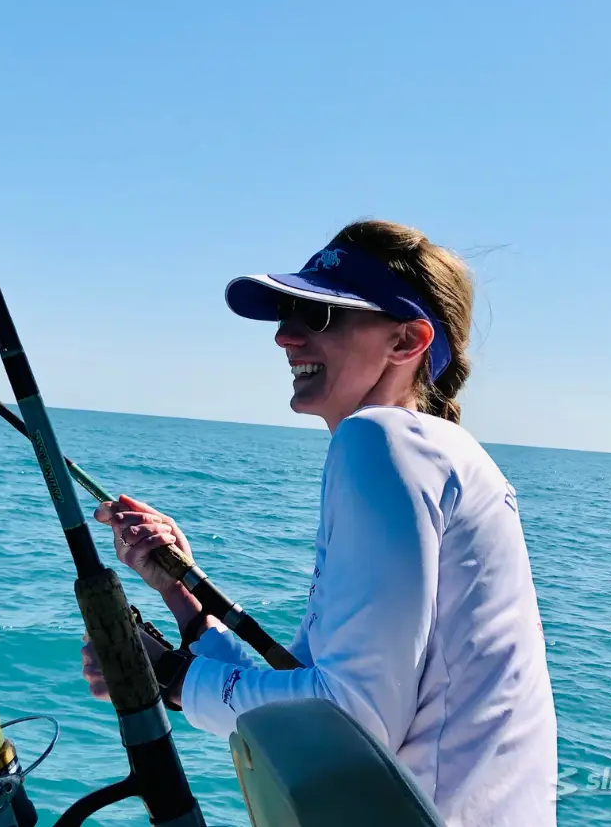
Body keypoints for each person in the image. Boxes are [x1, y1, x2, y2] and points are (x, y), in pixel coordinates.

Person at [81, 220, 558, 826]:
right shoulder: (432, 452)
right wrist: (182, 595)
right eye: (289, 314)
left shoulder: (379, 438)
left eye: (320, 315)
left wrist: (169, 676)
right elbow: (306, 690)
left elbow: (352, 718)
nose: (285, 336)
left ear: (407, 340)